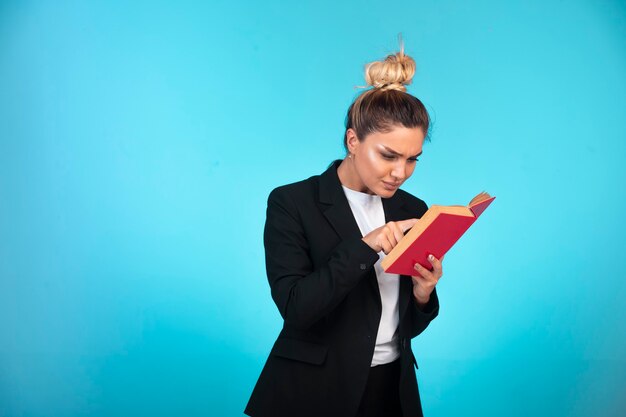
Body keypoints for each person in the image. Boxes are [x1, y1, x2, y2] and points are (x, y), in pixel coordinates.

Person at [244, 43, 444, 417]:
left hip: (392, 391)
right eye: (388, 155)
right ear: (353, 141)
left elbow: (406, 328)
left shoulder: (412, 209)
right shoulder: (293, 203)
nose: (400, 172)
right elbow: (296, 308)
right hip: (313, 393)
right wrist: (364, 247)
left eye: (412, 158)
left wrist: (423, 294)